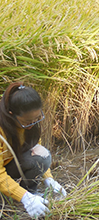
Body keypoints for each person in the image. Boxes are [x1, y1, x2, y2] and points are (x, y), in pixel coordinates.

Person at [0, 82, 67, 218]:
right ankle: (22, 197)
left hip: (8, 166)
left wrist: (49, 179)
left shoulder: (31, 123)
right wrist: (25, 198)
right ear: (11, 114)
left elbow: (36, 147)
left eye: (36, 119)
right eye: (26, 122)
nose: (32, 124)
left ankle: (30, 193)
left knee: (42, 155)